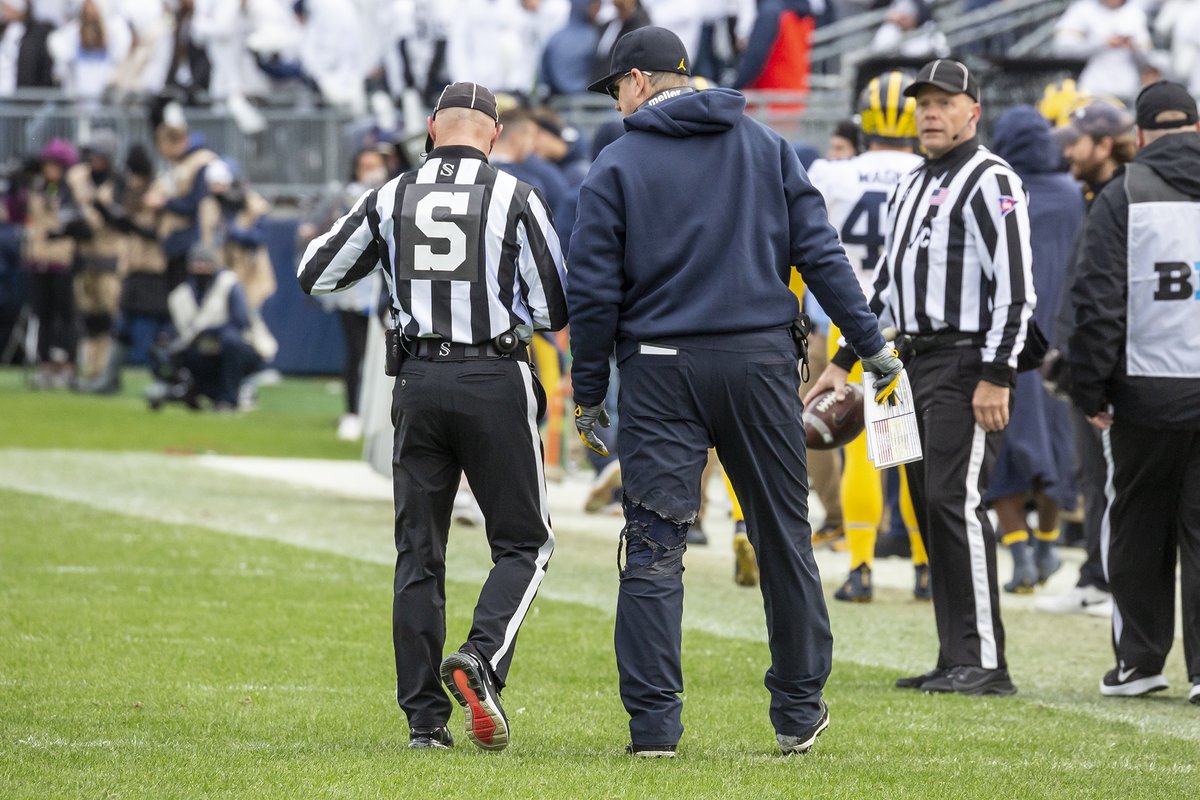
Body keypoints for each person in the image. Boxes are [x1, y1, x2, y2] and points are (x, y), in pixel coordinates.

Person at [570, 26, 902, 757]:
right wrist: (870, 345)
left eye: (616, 88)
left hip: (659, 369)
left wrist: (589, 391)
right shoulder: (768, 148)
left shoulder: (619, 160)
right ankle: (797, 712)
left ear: (636, 80)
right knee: (785, 539)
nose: (616, 103)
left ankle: (655, 727)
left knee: (655, 547)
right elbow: (820, 255)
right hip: (757, 364)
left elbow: (593, 291)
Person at [296, 82, 568, 751]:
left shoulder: (391, 194)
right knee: (525, 543)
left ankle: (424, 724)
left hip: (417, 380)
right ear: (495, 135)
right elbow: (555, 305)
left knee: (420, 552)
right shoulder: (517, 195)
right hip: (494, 375)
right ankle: (479, 657)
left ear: (430, 127)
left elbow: (316, 271)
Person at [811, 59, 1035, 696]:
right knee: (929, 504)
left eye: (945, 101)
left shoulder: (992, 179)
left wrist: (997, 374)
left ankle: (986, 662)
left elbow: (1017, 291)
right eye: (924, 103)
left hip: (965, 359)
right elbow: (885, 286)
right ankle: (954, 655)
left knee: (954, 502)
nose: (931, 112)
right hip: (908, 361)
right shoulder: (912, 182)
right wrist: (842, 361)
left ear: (973, 111)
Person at [1066, 80, 1200, 704]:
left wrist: (1088, 390)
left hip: (1145, 394)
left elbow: (1096, 304)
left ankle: (1140, 662)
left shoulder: (1124, 194)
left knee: (1138, 529)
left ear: (1139, 136)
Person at [805, 70, 929, 603]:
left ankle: (861, 567)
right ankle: (926, 569)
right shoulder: (931, 172)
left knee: (860, 451)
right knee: (908, 453)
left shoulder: (832, 173)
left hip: (847, 325)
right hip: (912, 324)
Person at [1036, 99, 1136, 616]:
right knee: (1092, 476)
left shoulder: (1125, 198)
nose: (1068, 150)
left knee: (1115, 478)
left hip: (1115, 366)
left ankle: (1112, 580)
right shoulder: (1094, 196)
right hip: (1087, 362)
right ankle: (1096, 574)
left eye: (1078, 140)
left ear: (1105, 143)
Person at [986, 106, 1086, 594]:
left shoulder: (996, 190)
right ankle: (1048, 543)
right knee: (1058, 446)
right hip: (1061, 344)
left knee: (1001, 446)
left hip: (1005, 340)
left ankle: (1020, 555)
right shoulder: (1073, 197)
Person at [149, 243, 268, 411]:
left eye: (205, 264)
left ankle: (229, 398)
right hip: (198, 350)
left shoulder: (229, 284)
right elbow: (176, 331)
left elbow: (241, 323)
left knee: (230, 342)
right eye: (197, 264)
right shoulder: (180, 295)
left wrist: (209, 332)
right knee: (164, 351)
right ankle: (192, 390)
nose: (201, 268)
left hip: (240, 349)